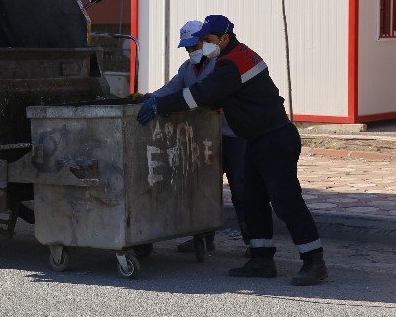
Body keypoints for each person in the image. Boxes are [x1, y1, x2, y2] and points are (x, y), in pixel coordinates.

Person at [137, 15, 328, 286]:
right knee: (252, 199)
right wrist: (156, 98)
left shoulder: (231, 65)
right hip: (256, 139)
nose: (203, 45)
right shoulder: (235, 56)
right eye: (201, 41)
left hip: (274, 138)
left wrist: (161, 106)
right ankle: (261, 259)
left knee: (286, 201)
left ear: (224, 38)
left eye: (208, 40)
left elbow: (198, 95)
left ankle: (314, 261)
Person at [143, 20, 251, 256]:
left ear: (206, 41)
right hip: (205, 138)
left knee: (241, 188)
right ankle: (203, 237)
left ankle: (254, 242)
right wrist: (147, 98)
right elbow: (171, 89)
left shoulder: (220, 65)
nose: (192, 51)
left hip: (233, 136)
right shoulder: (187, 69)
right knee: (203, 187)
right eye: (188, 48)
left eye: (195, 46)